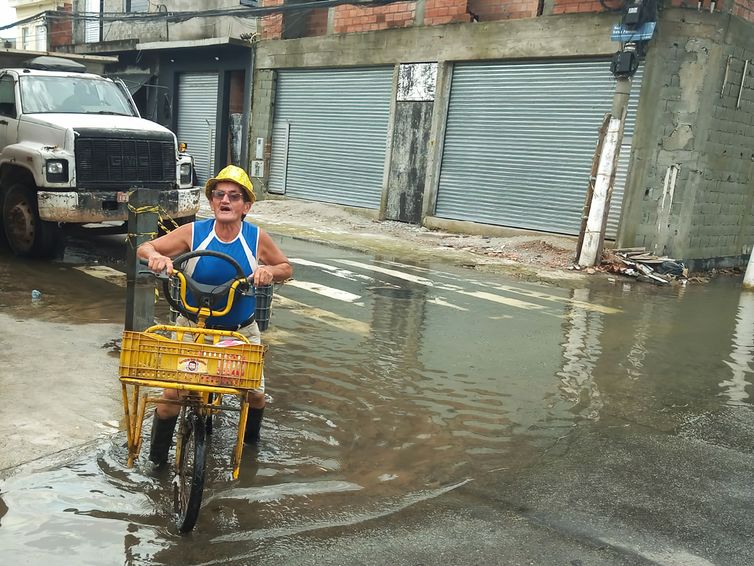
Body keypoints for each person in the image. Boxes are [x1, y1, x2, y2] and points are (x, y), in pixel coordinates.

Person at [137, 164, 292, 466]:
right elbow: (146, 246)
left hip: (239, 332)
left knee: (254, 396)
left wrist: (267, 271)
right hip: (191, 328)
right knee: (171, 399)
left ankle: (250, 451)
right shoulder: (194, 232)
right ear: (211, 202)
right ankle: (156, 462)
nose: (225, 201)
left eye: (234, 196)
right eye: (219, 195)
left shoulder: (256, 238)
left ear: (246, 205)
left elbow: (286, 268)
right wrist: (156, 257)